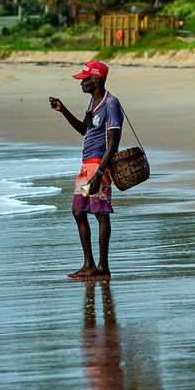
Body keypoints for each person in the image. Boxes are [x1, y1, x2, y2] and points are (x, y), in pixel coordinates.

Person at [48, 60, 122, 280]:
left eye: (85, 79)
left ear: (96, 80)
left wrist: (100, 173)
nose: (81, 83)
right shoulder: (92, 103)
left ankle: (103, 268)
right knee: (79, 212)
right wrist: (63, 110)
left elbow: (113, 141)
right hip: (86, 166)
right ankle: (88, 264)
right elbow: (84, 130)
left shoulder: (111, 104)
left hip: (99, 165)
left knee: (100, 214)